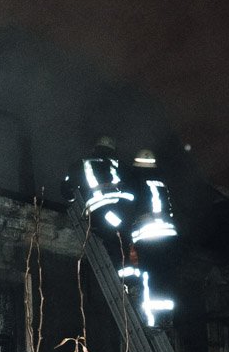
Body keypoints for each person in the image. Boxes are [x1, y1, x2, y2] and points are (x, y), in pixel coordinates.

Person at [63, 140, 179, 326]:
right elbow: (132, 197)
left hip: (107, 214)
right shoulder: (150, 178)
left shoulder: (83, 163)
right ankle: (160, 315)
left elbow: (67, 187)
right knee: (153, 267)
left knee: (118, 246)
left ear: (95, 147)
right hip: (159, 230)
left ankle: (132, 288)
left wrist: (71, 200)